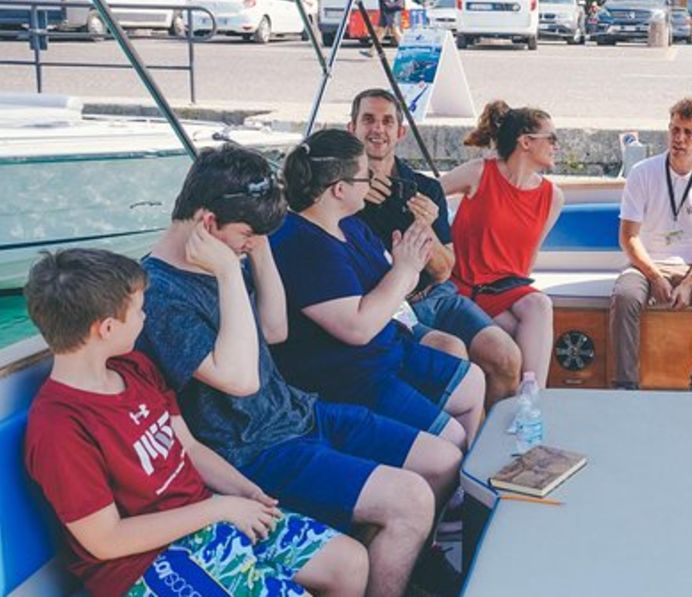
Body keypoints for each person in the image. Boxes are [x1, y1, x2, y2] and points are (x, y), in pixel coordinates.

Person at [138, 144, 461, 597]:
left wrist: (261, 239)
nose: (249, 245)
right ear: (209, 225)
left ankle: (399, 566)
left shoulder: (224, 256)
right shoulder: (161, 295)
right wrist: (231, 271)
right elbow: (239, 380)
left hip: (299, 412)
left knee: (441, 460)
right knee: (409, 500)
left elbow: (275, 327)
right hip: (250, 449)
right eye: (247, 233)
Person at [23, 248, 368, 597]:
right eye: (139, 310)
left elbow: (187, 446)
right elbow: (106, 540)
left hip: (204, 516)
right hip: (144, 563)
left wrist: (243, 491)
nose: (145, 318)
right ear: (107, 328)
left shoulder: (135, 368)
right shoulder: (59, 427)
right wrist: (219, 508)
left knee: (349, 563)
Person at [270, 129, 486, 447]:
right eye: (365, 177)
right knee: (451, 438)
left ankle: (459, 485)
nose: (373, 182)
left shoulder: (352, 226)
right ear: (340, 189)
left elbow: (396, 283)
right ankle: (447, 483)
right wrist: (405, 270)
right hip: (351, 376)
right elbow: (358, 328)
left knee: (473, 381)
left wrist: (407, 268)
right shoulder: (302, 243)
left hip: (387, 350)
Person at [349, 88, 522, 406]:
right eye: (368, 120)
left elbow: (443, 272)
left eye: (387, 121)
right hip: (387, 308)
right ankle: (454, 443)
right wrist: (356, 191)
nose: (378, 129)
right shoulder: (339, 192)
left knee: (506, 357)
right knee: (450, 356)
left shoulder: (424, 189)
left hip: (437, 297)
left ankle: (492, 447)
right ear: (352, 128)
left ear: (400, 132)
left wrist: (424, 226)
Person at [608, 97, 692, 391]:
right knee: (625, 297)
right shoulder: (642, 173)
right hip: (647, 263)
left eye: (688, 132)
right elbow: (628, 237)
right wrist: (653, 275)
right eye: (674, 130)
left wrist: (691, 282)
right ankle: (625, 386)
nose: (679, 139)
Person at [442, 100, 564, 387]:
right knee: (521, 332)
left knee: (538, 305)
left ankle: (532, 397)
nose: (556, 146)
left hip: (506, 289)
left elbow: (528, 260)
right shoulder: (479, 173)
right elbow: (429, 195)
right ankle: (528, 406)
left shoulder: (552, 197)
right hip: (465, 285)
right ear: (525, 142)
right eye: (552, 139)